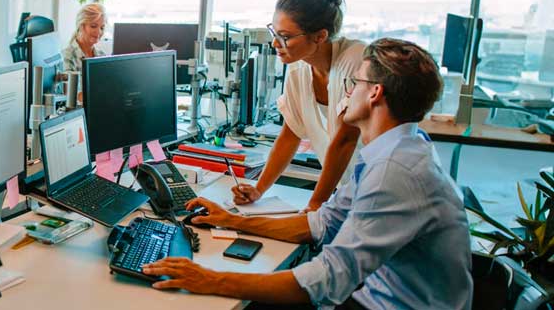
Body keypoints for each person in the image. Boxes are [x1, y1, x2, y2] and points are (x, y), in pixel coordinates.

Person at [143, 38, 472, 309]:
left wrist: (211, 278)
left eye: (355, 82)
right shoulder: (392, 152)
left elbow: (330, 277)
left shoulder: (394, 170)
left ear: (375, 93)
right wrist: (231, 221)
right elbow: (322, 223)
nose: (345, 92)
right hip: (376, 295)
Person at [233, 0, 364, 211]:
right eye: (275, 32)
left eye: (285, 36)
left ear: (320, 36)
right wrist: (259, 189)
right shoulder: (298, 69)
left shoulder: (354, 61)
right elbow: (290, 135)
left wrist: (315, 205)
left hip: (379, 188)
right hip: (351, 191)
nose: (275, 43)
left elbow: (346, 141)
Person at [61, 3, 107, 73]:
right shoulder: (67, 56)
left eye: (102, 27)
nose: (99, 32)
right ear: (81, 26)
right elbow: (70, 83)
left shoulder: (102, 55)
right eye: (93, 26)